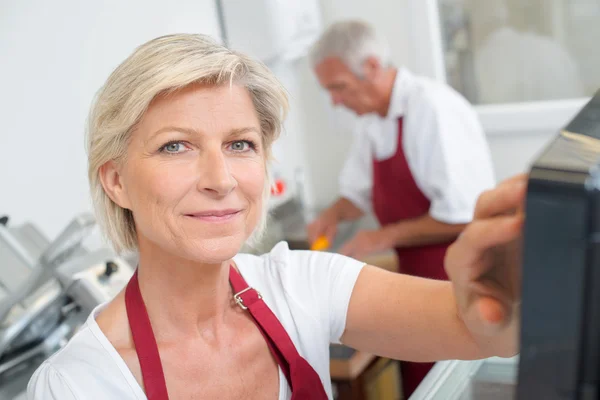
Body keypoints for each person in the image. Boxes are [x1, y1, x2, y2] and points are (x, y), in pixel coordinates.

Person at [28, 33, 523, 400]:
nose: (220, 179)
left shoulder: (301, 285)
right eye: (175, 146)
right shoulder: (78, 384)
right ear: (115, 181)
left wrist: (507, 287)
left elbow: (477, 326)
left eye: (240, 144)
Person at [307, 20, 496, 395]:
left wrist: (382, 237)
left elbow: (463, 213)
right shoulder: (372, 119)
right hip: (413, 278)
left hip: (455, 278)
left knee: (448, 384)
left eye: (338, 87)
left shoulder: (433, 109)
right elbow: (356, 194)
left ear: (373, 66)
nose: (335, 101)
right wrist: (332, 214)